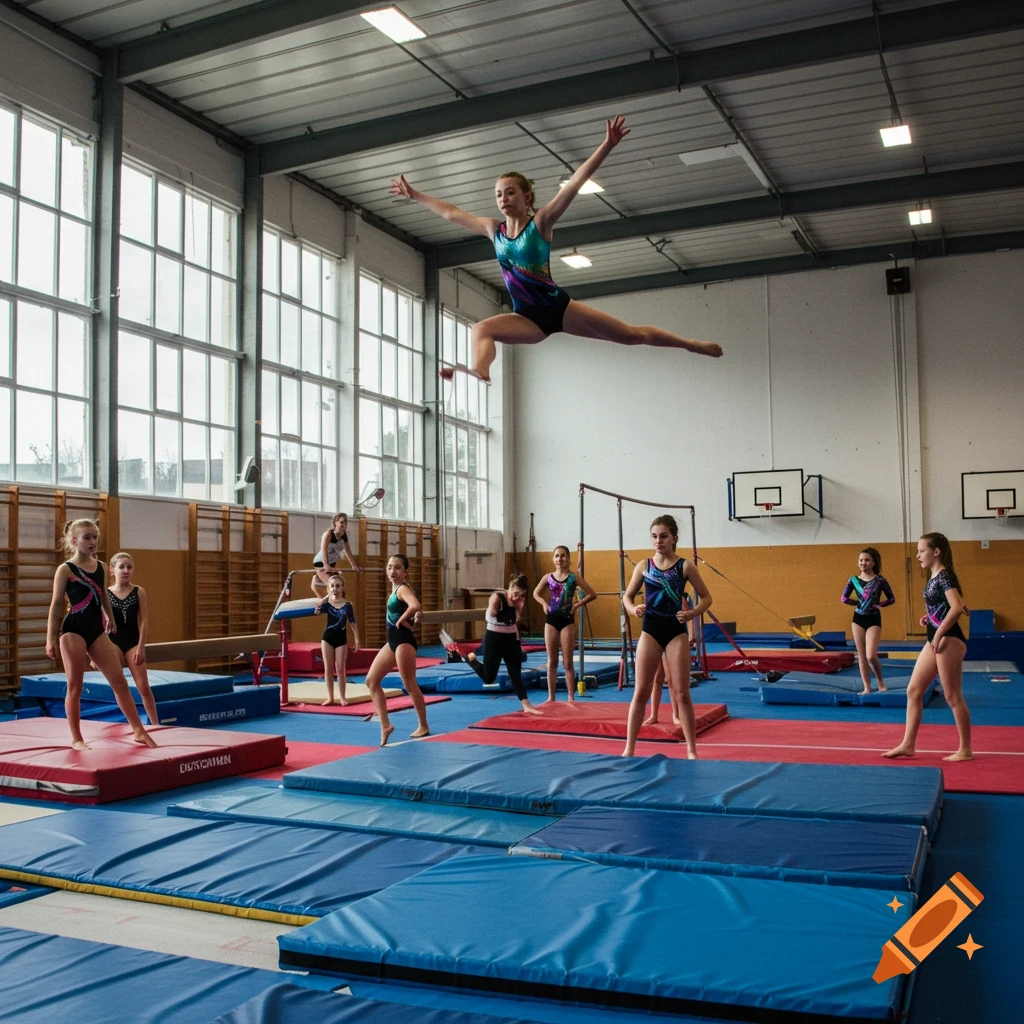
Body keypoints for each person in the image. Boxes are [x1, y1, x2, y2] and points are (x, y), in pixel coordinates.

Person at [388, 116, 723, 382]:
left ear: (526, 197)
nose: (503, 200)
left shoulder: (542, 223)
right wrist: (415, 195)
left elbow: (575, 183)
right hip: (527, 320)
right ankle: (481, 370)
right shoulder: (495, 230)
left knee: (632, 336)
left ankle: (690, 345)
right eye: (499, 195)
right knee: (481, 328)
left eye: (510, 193)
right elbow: (452, 213)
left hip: (559, 308)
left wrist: (607, 145)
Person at [45, 520, 157, 750]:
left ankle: (138, 730)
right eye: (87, 537)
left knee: (120, 682)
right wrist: (50, 638)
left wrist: (111, 619)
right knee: (75, 685)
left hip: (97, 631)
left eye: (95, 537)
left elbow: (103, 597)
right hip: (73, 630)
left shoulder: (102, 567)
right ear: (74, 541)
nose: (93, 542)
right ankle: (77, 738)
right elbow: (56, 605)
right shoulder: (65, 569)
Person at [621, 515, 712, 758]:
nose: (658, 541)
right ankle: (629, 748)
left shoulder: (684, 566)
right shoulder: (644, 566)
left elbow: (706, 598)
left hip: (675, 631)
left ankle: (692, 749)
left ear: (674, 538)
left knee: (681, 692)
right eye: (654, 536)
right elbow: (627, 596)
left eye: (663, 536)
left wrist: (691, 613)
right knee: (641, 691)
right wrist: (633, 609)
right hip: (650, 629)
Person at [884, 533, 973, 762]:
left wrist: (939, 633)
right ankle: (908, 744)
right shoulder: (933, 576)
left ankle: (965, 750)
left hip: (948, 640)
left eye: (921, 550)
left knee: (952, 696)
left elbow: (956, 607)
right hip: (935, 637)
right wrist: (930, 617)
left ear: (936, 551)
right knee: (914, 691)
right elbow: (943, 607)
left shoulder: (944, 576)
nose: (917, 555)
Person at [364, 553, 430, 746]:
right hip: (393, 641)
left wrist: (402, 620)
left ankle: (423, 725)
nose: (393, 571)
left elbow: (415, 605)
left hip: (403, 641)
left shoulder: (402, 589)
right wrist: (410, 616)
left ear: (405, 572)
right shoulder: (396, 590)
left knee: (409, 684)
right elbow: (416, 608)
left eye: (398, 567)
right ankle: (385, 725)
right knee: (371, 681)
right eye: (390, 567)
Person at [468, 574, 542, 714]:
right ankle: (471, 659)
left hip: (511, 639)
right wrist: (508, 615)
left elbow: (516, 621)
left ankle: (526, 705)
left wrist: (518, 640)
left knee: (515, 674)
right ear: (509, 589)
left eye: (521, 595)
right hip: (494, 638)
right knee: (489, 678)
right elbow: (489, 617)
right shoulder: (497, 598)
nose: (517, 598)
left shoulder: (520, 600)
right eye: (515, 594)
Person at [533, 546, 597, 703]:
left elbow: (592, 594)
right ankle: (551, 697)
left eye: (563, 556)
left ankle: (570, 697)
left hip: (567, 621)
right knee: (552, 661)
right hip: (551, 620)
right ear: (553, 559)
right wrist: (543, 603)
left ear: (568, 559)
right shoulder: (548, 577)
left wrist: (576, 605)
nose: (559, 559)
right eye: (556, 556)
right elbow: (536, 593)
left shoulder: (573, 577)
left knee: (568, 662)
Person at [106, 552, 160, 727]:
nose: (125, 570)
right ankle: (134, 724)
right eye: (121, 567)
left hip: (132, 643)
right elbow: (99, 624)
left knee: (144, 687)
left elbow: (143, 620)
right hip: (112, 643)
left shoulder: (138, 591)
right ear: (112, 570)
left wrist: (141, 647)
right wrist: (95, 654)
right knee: (120, 687)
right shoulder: (105, 594)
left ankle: (155, 724)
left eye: (129, 567)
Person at [841, 546, 896, 695]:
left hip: (873, 618)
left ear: (873, 563)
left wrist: (879, 604)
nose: (863, 563)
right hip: (858, 618)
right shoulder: (853, 580)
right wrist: (856, 603)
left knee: (871, 655)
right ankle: (867, 687)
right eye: (860, 560)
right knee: (861, 656)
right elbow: (844, 598)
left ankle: (880, 682)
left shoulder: (879, 580)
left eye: (866, 560)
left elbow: (891, 598)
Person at [314, 575, 360, 706]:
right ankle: (330, 697)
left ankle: (342, 697)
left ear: (342, 588)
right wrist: (325, 597)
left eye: (338, 586)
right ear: (329, 588)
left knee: (340, 669)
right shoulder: (327, 605)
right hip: (327, 638)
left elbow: (353, 623)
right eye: (332, 586)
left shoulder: (347, 605)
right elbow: (317, 610)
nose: (335, 588)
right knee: (328, 669)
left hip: (341, 639)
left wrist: (357, 640)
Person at [312, 513, 360, 595]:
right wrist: (326, 564)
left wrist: (354, 565)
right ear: (335, 523)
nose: (344, 525)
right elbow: (324, 549)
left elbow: (348, 551)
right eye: (341, 522)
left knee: (341, 591)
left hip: (332, 564)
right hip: (321, 563)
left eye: (345, 522)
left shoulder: (344, 535)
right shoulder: (328, 534)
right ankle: (317, 578)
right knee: (335, 589)